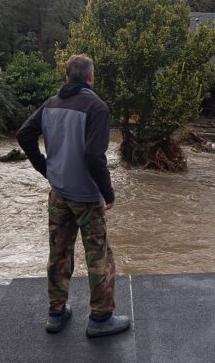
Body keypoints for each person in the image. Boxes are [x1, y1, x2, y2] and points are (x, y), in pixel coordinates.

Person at [16, 54, 130, 338]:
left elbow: (24, 135)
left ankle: (56, 313)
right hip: (87, 197)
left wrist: (46, 169)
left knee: (59, 251)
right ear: (90, 77)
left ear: (67, 77)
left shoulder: (51, 104)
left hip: (59, 193)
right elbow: (94, 156)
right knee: (99, 256)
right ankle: (101, 318)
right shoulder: (97, 107)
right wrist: (108, 191)